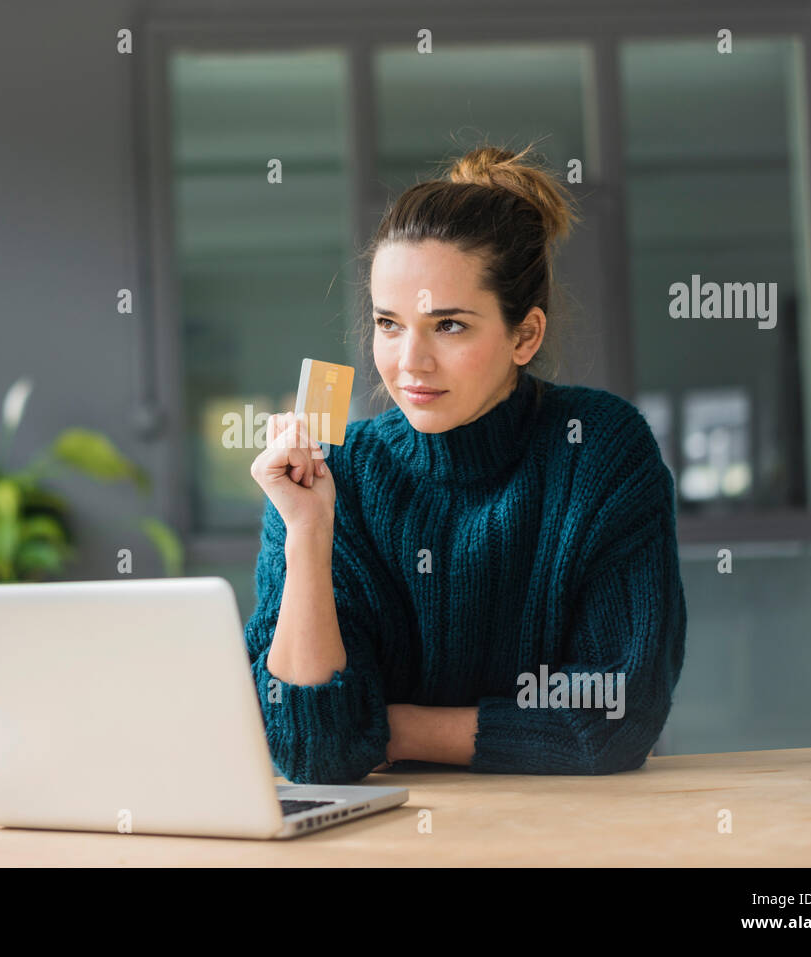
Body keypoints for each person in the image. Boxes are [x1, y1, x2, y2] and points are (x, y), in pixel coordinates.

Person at [245, 143, 687, 785]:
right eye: (389, 324)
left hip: (571, 837)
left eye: (448, 326)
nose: (410, 363)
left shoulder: (599, 448)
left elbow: (611, 720)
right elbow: (310, 747)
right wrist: (309, 534)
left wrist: (381, 727)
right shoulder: (331, 474)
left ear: (524, 336)